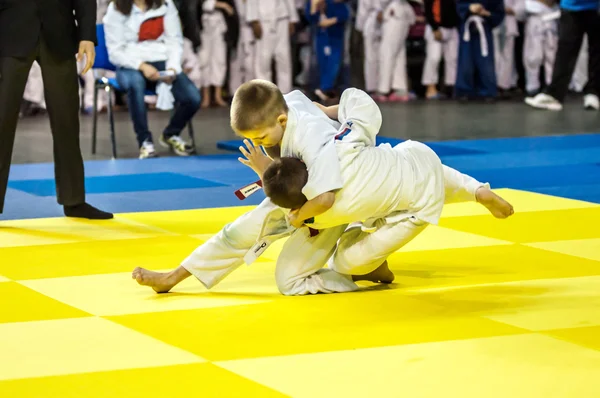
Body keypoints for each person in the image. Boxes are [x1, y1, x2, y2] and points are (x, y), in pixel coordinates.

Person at [132, 81, 384, 295]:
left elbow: (325, 196)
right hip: (303, 191)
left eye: (260, 138)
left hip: (335, 201)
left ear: (282, 120)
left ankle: (354, 271)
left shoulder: (311, 137)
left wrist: (267, 171)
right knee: (241, 229)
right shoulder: (285, 104)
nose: (257, 143)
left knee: (288, 282)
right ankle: (173, 277)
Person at [0, 0, 113, 219]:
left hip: (59, 31)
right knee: (1, 121)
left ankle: (74, 200)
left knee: (67, 121)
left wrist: (87, 34)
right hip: (9, 30)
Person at [103, 0, 201, 159]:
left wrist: (172, 68)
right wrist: (141, 66)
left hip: (162, 61)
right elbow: (115, 52)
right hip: (130, 64)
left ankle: (171, 134)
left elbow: (174, 40)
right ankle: (145, 141)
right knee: (136, 84)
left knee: (193, 97)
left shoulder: (165, 5)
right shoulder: (116, 9)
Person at [525, 0, 600, 111]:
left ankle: (594, 93)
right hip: (570, 7)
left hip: (596, 8)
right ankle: (554, 95)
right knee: (565, 51)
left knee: (597, 50)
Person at [454, 0, 505, 100]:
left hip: (484, 27)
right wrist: (469, 7)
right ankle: (464, 91)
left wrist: (487, 13)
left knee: (485, 62)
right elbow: (456, 6)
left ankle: (487, 91)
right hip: (467, 27)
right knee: (466, 61)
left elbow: (499, 12)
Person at [247, 0, 299, 94]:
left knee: (284, 58)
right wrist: (254, 20)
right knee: (263, 60)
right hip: (263, 20)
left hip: (282, 18)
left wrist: (292, 19)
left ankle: (285, 94)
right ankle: (265, 94)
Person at [421, 0, 460, 100]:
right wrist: (435, 28)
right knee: (434, 58)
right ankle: (430, 88)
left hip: (452, 28)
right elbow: (428, 9)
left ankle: (451, 87)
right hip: (436, 28)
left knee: (452, 59)